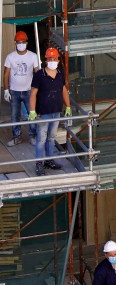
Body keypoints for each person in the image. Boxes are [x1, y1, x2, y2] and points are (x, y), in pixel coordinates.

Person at [28, 46, 71, 176]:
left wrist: (68, 106)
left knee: (51, 138)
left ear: (58, 59)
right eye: (50, 58)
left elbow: (63, 90)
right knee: (41, 139)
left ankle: (49, 161)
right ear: (46, 60)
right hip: (43, 113)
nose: (52, 60)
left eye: (54, 58)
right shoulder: (40, 75)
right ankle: (39, 164)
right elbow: (33, 93)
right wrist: (32, 110)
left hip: (56, 111)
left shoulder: (59, 74)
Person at [3, 30, 40, 147]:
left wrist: (38, 90)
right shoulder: (10, 57)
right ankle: (16, 137)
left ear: (27, 43)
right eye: (18, 42)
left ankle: (33, 136)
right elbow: (6, 74)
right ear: (15, 43)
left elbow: (37, 74)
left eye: (23, 42)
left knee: (32, 114)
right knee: (14, 115)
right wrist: (5, 90)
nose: (21, 44)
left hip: (28, 91)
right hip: (14, 92)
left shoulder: (33, 56)